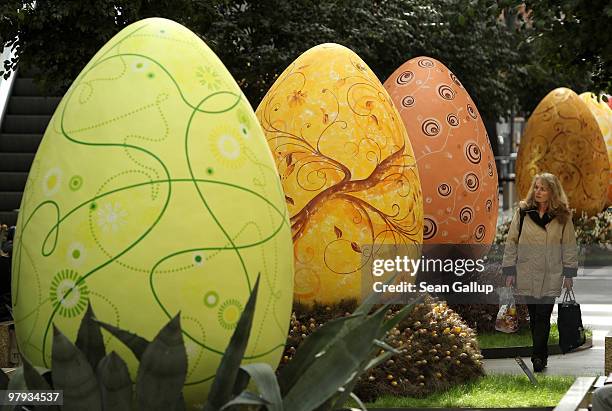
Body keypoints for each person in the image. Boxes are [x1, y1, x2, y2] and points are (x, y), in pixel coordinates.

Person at [502, 172, 578, 372]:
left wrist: (569, 274)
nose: (538, 192)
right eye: (536, 187)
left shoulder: (563, 216)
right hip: (526, 271)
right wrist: (509, 270)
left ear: (552, 192)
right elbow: (512, 241)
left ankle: (537, 358)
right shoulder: (524, 212)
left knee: (544, 315)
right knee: (535, 317)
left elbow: (569, 246)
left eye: (543, 188)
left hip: (551, 273)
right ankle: (541, 355)